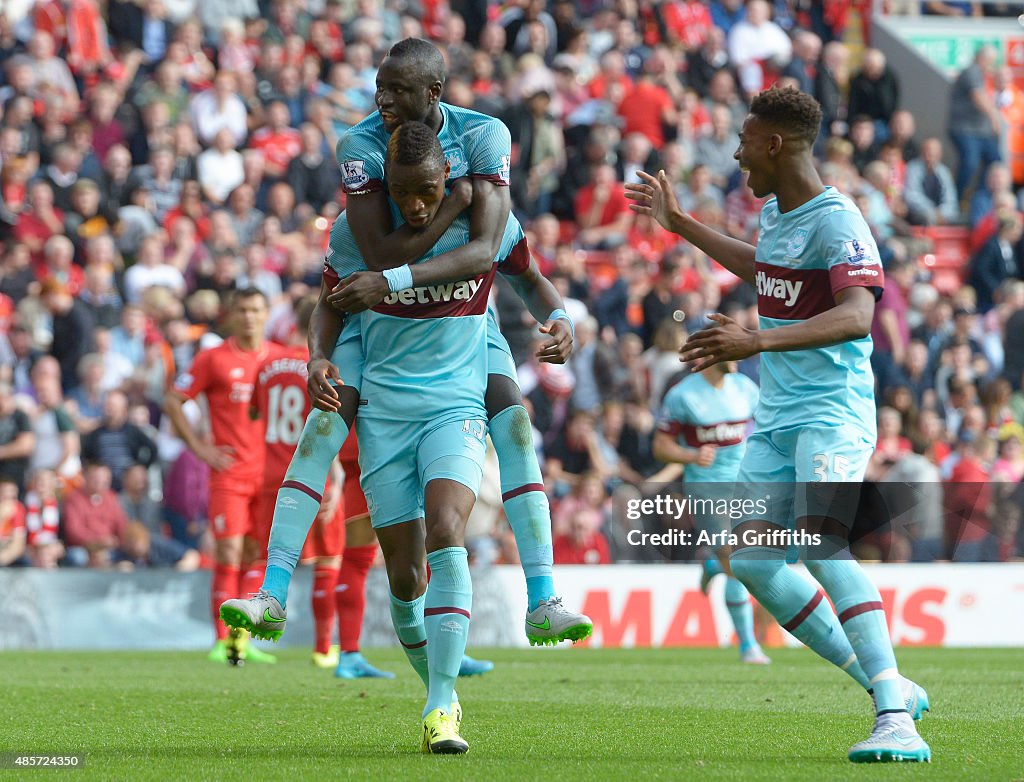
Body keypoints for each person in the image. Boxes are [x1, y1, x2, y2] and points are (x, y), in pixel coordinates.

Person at [226, 38, 589, 648]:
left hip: (466, 331)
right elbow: (371, 260)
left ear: (434, 94)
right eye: (380, 87)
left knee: (518, 428)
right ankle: (271, 593)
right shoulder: (362, 150)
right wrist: (319, 354)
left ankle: (544, 596)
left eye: (397, 89)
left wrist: (563, 319)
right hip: (377, 334)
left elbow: (503, 258)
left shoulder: (482, 138)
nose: (382, 99)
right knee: (322, 430)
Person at [625, 86, 931, 763]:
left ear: (774, 143)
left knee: (821, 542)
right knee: (755, 562)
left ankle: (895, 721)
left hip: (832, 411)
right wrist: (681, 225)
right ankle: (889, 687)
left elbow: (857, 316)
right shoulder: (775, 214)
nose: (735, 152)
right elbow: (766, 272)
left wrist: (754, 344)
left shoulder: (837, 220)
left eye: (743, 139)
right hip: (776, 418)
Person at [163, 288, 280, 664]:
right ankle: (221, 638)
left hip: (270, 475)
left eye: (256, 309)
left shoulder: (282, 359)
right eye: (243, 310)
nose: (249, 317)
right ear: (231, 316)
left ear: (266, 314)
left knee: (254, 554)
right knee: (228, 551)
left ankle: (241, 640)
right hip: (229, 473)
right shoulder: (213, 359)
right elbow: (173, 401)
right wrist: (201, 450)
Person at [653, 361, 771, 665]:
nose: (737, 355)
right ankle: (748, 646)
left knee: (751, 560)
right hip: (707, 488)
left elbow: (768, 426)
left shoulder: (745, 387)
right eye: (728, 349)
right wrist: (690, 454)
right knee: (736, 561)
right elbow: (661, 445)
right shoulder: (682, 395)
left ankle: (711, 566)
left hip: (748, 482)